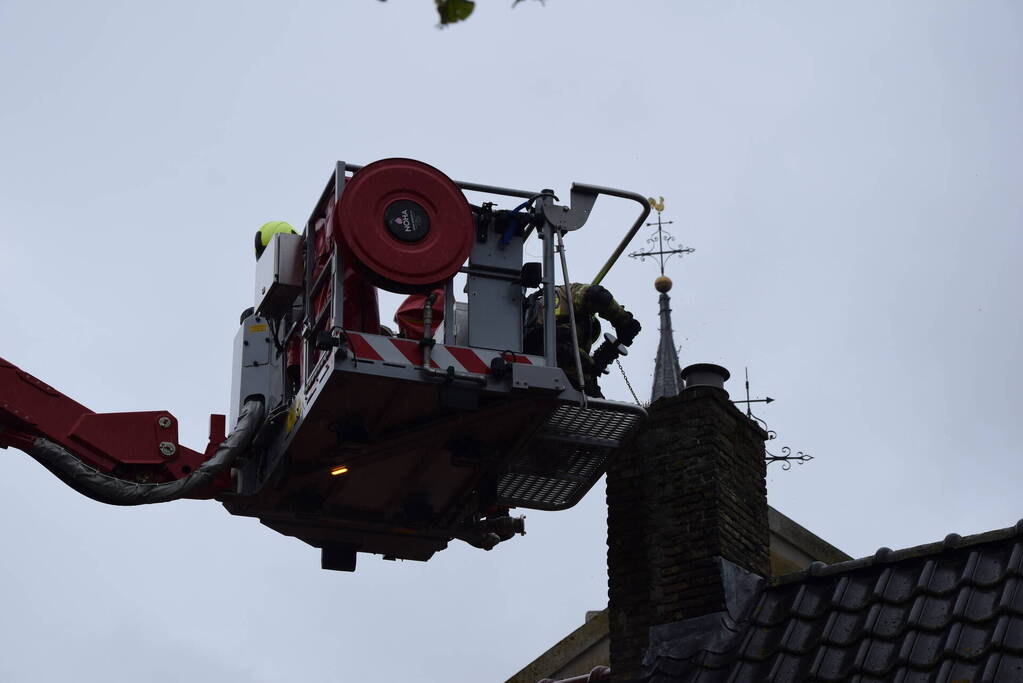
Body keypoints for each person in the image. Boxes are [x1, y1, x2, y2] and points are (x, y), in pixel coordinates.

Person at [523, 283, 641, 397]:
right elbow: (597, 295)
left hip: (530, 351)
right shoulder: (569, 293)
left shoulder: (541, 299)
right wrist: (624, 320)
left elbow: (571, 361)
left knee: (587, 386)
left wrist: (594, 365)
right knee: (589, 389)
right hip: (540, 344)